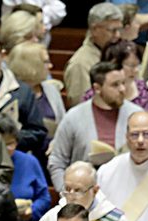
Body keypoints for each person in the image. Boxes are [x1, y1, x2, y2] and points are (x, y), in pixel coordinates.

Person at [48, 62, 141, 192]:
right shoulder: (73, 117)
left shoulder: (137, 115)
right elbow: (57, 161)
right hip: (83, 196)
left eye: (123, 83)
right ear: (97, 88)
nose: (122, 89)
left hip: (127, 191)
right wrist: (67, 194)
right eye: (115, 85)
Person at [0, 116, 50, 221]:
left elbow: (44, 197)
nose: (7, 149)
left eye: (11, 143)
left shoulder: (29, 161)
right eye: (2, 144)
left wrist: (32, 211)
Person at [62, 4, 121, 104]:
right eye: (113, 30)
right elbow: (81, 106)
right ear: (95, 30)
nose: (117, 35)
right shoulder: (80, 64)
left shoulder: (115, 54)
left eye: (119, 29)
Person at [7, 41, 65, 138]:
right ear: (30, 65)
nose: (51, 66)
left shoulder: (51, 89)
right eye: (46, 62)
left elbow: (63, 125)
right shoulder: (9, 92)